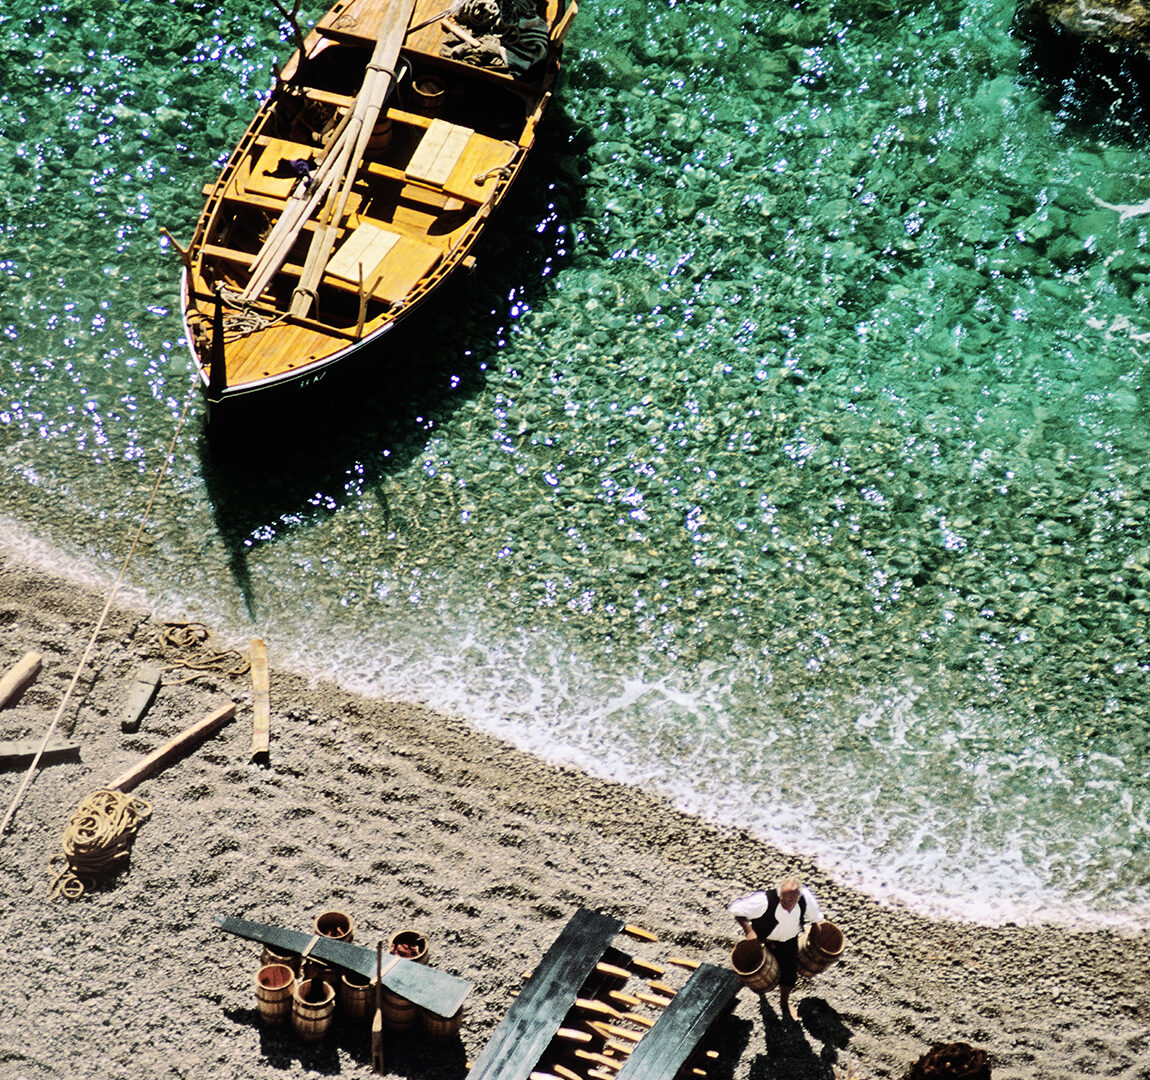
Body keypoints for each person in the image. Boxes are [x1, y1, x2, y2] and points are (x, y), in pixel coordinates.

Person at [729, 875, 823, 1022]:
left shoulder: (805, 900)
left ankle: (784, 1003)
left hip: (790, 942)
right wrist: (748, 931)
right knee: (760, 974)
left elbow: (815, 918)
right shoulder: (764, 900)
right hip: (764, 942)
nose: (786, 903)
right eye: (783, 899)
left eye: (790, 900)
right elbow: (735, 910)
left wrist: (815, 929)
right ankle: (762, 999)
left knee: (790, 974)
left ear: (798, 897)